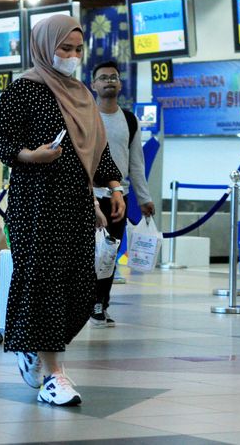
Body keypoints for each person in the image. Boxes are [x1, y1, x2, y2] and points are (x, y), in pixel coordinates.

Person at [0, 15, 124, 406]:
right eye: (65, 48)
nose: (72, 56)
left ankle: (35, 347)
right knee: (45, 282)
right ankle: (54, 374)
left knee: (81, 286)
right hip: (37, 203)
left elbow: (97, 151)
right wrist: (31, 155)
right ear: (46, 47)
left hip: (77, 203)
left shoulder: (82, 94)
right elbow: (1, 140)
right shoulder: (25, 90)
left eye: (78, 49)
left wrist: (113, 187)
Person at [90, 60, 155, 328]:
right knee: (86, 253)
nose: (109, 81)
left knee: (109, 254)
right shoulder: (85, 116)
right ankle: (81, 301)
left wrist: (144, 197)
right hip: (88, 196)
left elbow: (136, 162)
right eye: (103, 77)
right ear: (93, 85)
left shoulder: (129, 120)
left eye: (113, 77)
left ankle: (99, 304)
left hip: (119, 197)